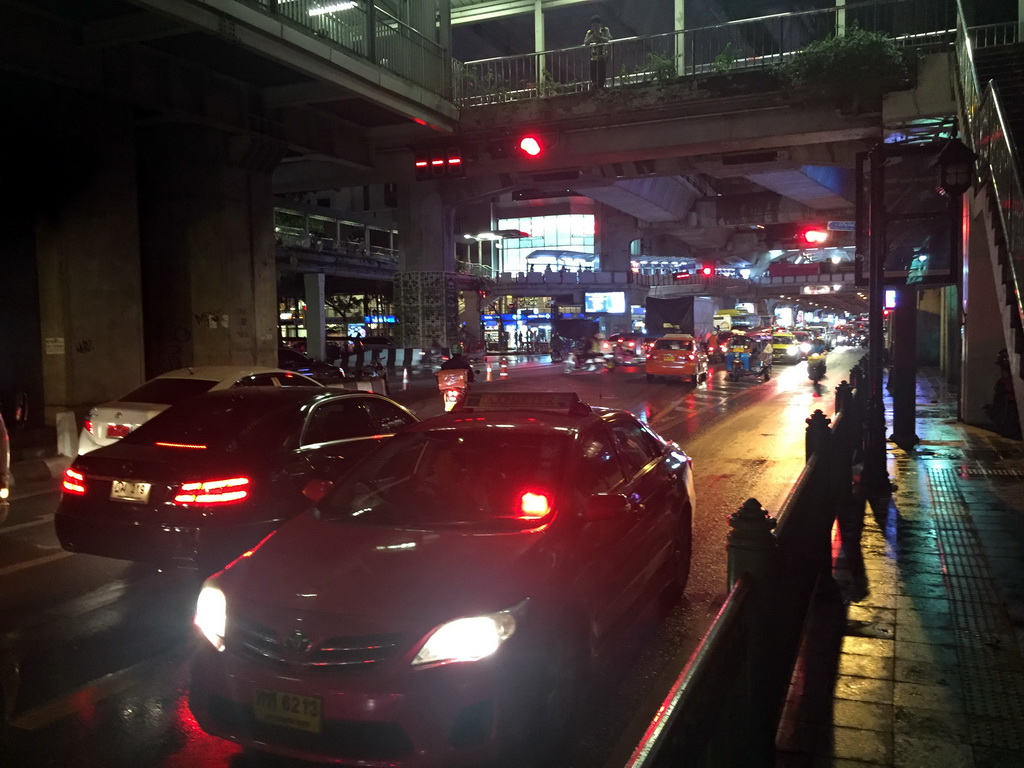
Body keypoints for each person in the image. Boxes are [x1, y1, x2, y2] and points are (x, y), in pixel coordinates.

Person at [584, 15, 611, 88]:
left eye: (597, 25)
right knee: (593, 75)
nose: (595, 27)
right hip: (593, 57)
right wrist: (592, 37)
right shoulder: (590, 33)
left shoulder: (605, 30)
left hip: (602, 57)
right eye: (593, 25)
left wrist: (599, 37)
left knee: (602, 75)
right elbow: (586, 42)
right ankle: (595, 88)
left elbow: (608, 39)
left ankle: (601, 88)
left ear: (600, 24)